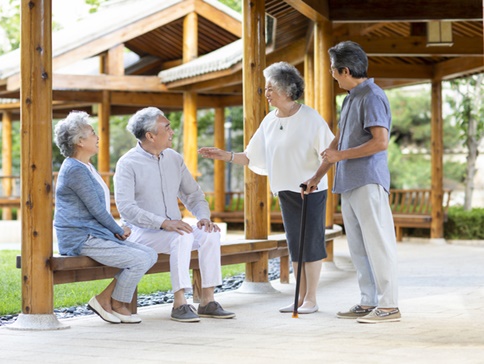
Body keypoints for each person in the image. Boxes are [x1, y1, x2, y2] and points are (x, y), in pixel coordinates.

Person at [199, 62, 334, 315]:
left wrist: (316, 178)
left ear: (287, 90)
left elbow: (329, 154)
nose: (267, 92)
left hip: (310, 190)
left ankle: (311, 300)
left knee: (311, 244)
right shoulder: (269, 121)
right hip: (285, 191)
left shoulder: (310, 118)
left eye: (271, 88)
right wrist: (225, 155)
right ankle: (299, 298)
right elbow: (251, 157)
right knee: (295, 245)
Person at [302, 41, 400, 323]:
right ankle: (368, 301)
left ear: (345, 70)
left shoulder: (372, 96)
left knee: (378, 244)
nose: (331, 75)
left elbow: (380, 142)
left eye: (333, 70)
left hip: (368, 181)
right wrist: (317, 175)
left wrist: (339, 154)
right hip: (349, 182)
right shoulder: (351, 98)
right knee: (358, 247)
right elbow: (339, 140)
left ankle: (389, 305)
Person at [114, 107, 235, 323]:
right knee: (182, 235)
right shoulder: (127, 163)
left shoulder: (174, 158)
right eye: (167, 127)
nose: (172, 132)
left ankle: (207, 300)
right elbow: (126, 208)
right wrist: (163, 223)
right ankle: (180, 302)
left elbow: (193, 194)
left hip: (172, 230)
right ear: (150, 135)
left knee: (210, 234)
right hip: (141, 233)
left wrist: (203, 218)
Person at [53, 111, 158, 325]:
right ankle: (117, 303)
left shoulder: (86, 167)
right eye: (92, 133)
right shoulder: (75, 170)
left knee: (149, 254)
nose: (97, 136)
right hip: (81, 238)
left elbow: (98, 209)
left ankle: (105, 299)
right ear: (80, 141)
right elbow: (97, 211)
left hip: (94, 234)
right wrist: (118, 230)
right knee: (140, 259)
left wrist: (115, 230)